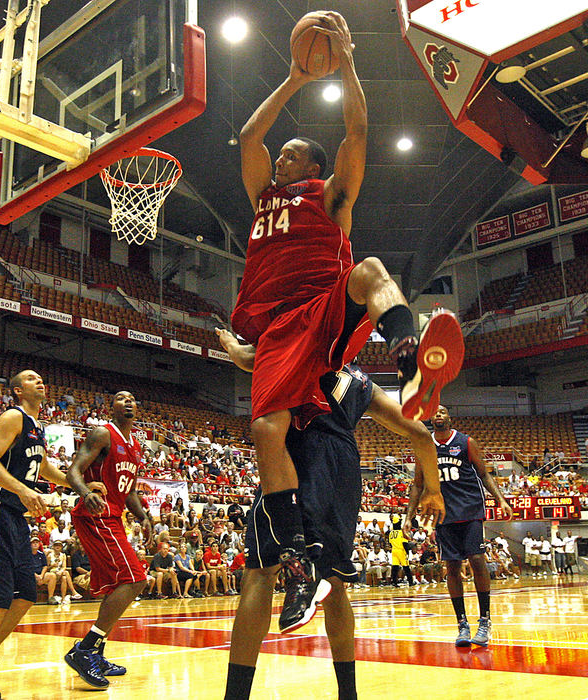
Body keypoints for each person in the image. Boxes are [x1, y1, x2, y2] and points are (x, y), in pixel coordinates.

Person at [232, 9, 463, 632]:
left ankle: (410, 355)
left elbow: (358, 133)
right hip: (280, 329)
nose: (278, 158)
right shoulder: (263, 199)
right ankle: (301, 559)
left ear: (311, 166)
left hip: (324, 307)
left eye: (290, 154)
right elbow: (251, 138)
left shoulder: (330, 197)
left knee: (367, 268)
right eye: (279, 156)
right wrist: (293, 78)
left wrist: (350, 64)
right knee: (266, 432)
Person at [217, 330, 443, 700]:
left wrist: (228, 343)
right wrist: (433, 490)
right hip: (345, 468)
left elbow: (247, 359)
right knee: (334, 582)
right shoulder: (362, 382)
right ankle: (348, 695)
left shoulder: (304, 345)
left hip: (299, 456)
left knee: (260, 573)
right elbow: (420, 434)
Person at [0, 370, 75, 700]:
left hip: (16, 518)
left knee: (26, 595)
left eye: (41, 378)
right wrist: (22, 490)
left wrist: (78, 485)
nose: (40, 381)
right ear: (19, 391)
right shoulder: (12, 416)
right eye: (32, 379)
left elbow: (44, 468)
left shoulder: (37, 426)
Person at [63, 390, 154, 687]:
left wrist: (143, 517)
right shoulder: (103, 433)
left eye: (132, 398)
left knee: (120, 584)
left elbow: (128, 491)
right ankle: (85, 649)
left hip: (114, 516)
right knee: (135, 579)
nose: (128, 401)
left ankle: (97, 653)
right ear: (111, 407)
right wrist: (86, 493)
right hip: (95, 513)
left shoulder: (135, 446)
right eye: (120, 398)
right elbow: (73, 471)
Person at [407, 405, 509, 647]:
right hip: (442, 513)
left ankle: (484, 620)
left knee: (476, 559)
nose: (438, 415)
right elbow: (417, 484)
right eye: (435, 412)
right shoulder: (425, 445)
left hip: (471, 508)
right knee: (451, 567)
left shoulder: (466, 442)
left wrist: (501, 499)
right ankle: (462, 624)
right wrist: (408, 515)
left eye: (442, 412)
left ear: (450, 418)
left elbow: (484, 474)